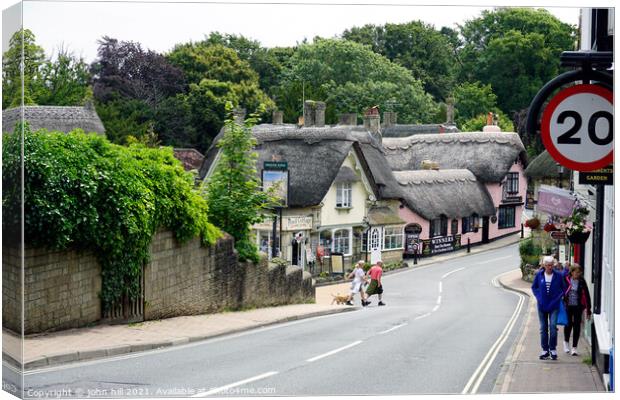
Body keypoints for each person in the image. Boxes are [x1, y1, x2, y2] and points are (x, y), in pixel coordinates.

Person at [532, 255, 567, 360]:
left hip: (554, 305)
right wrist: (539, 297)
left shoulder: (558, 276)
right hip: (542, 305)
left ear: (553, 265)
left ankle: (553, 349)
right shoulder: (539, 275)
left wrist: (558, 297)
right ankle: (544, 350)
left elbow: (564, 288)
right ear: (544, 265)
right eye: (547, 265)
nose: (549, 267)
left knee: (552, 327)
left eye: (551, 265)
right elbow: (534, 287)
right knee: (543, 328)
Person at [563, 264, 592, 356]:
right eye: (576, 272)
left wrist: (588, 310)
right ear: (572, 272)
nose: (578, 274)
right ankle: (566, 342)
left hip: (578, 307)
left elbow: (587, 295)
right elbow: (561, 291)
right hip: (568, 306)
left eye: (579, 272)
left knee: (577, 326)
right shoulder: (566, 279)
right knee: (568, 324)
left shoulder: (582, 281)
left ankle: (574, 348)